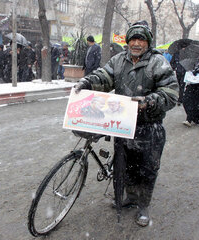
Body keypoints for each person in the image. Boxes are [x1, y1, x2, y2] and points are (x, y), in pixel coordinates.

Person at [74, 21, 178, 227]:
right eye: (133, 39)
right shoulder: (119, 60)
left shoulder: (158, 62)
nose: (136, 43)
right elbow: (104, 76)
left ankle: (143, 205)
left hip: (149, 126)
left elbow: (171, 93)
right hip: (123, 124)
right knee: (125, 165)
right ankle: (130, 197)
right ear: (128, 41)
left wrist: (149, 102)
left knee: (147, 168)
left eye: (141, 39)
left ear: (147, 42)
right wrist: (87, 82)